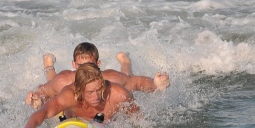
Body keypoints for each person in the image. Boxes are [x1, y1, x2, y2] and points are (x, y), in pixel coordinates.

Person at [17, 63, 139, 128]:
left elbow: (139, 121)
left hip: (105, 124)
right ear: (80, 90)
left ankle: (125, 62)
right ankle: (49, 67)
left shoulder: (119, 94)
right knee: (50, 102)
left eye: (99, 90)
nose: (96, 96)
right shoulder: (70, 95)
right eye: (90, 92)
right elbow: (44, 111)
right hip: (69, 116)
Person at [25, 42, 169, 109]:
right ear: (74, 65)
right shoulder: (65, 79)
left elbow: (137, 82)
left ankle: (125, 61)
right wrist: (37, 98)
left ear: (98, 64)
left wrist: (156, 84)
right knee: (55, 85)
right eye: (81, 66)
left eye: (90, 65)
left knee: (126, 77)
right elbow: (44, 90)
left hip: (119, 77)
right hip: (61, 81)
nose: (86, 70)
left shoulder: (110, 78)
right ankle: (48, 64)